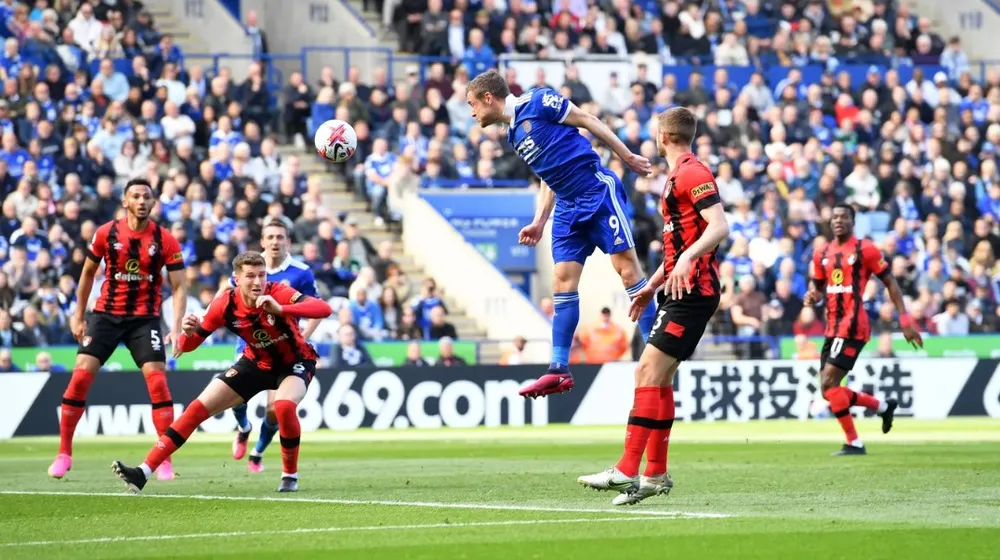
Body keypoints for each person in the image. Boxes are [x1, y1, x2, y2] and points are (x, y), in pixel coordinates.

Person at [465, 69, 656, 398]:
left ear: (488, 98)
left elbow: (587, 120)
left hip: (595, 192)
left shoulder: (539, 100)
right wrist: (540, 220)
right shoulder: (513, 134)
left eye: (473, 105)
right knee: (562, 282)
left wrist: (626, 156)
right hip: (567, 209)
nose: (472, 112)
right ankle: (558, 369)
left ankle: (658, 350)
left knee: (627, 272)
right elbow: (548, 174)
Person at [576, 108, 729, 505]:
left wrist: (689, 258)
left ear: (662, 135)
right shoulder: (677, 175)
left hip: (694, 292)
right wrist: (651, 286)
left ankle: (627, 469)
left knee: (646, 371)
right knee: (657, 379)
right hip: (679, 289)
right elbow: (680, 246)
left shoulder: (693, 173)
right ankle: (655, 474)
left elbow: (719, 226)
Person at [112, 251, 332, 494]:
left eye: (261, 275)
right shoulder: (224, 304)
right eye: (250, 276)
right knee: (196, 408)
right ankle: (143, 471)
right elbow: (188, 347)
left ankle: (289, 475)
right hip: (256, 363)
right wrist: (188, 332)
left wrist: (281, 309)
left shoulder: (277, 291)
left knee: (283, 406)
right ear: (236, 279)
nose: (258, 282)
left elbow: (323, 308)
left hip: (295, 361)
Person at [49, 178, 187, 481]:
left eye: (146, 197)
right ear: (125, 201)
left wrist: (176, 328)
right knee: (80, 376)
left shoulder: (165, 239)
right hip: (105, 316)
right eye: (135, 196)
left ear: (153, 203)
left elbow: (179, 287)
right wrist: (77, 315)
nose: (141, 201)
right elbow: (86, 275)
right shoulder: (105, 233)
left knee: (158, 382)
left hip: (144, 319)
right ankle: (64, 453)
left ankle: (163, 459)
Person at [803, 203, 923, 455]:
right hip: (832, 328)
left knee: (828, 382)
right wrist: (813, 295)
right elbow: (818, 287)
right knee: (828, 391)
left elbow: (890, 282)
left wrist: (905, 320)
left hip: (853, 325)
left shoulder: (865, 249)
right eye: (834, 216)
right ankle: (881, 407)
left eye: (844, 217)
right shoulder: (821, 252)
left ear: (852, 222)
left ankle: (854, 442)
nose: (838, 221)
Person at [227, 219, 320, 473]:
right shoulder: (248, 267)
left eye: (280, 237)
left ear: (287, 240)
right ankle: (243, 427)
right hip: (247, 342)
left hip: (283, 347)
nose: (275, 242)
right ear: (262, 241)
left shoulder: (301, 272)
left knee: (274, 408)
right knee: (235, 397)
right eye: (271, 237)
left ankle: (257, 451)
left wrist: (303, 335)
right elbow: (225, 299)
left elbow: (316, 308)